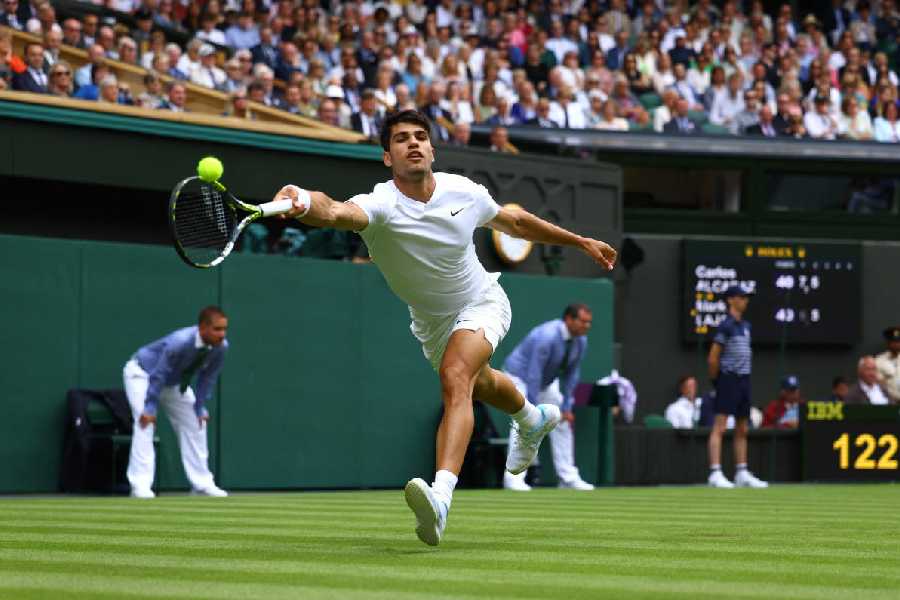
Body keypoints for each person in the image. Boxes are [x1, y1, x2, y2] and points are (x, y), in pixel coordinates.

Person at [271, 110, 617, 546]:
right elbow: (334, 211)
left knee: (456, 377)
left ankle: (441, 498)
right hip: (431, 324)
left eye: (420, 136)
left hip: (483, 302)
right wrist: (303, 197)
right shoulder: (380, 204)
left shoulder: (464, 192)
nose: (413, 143)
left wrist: (580, 240)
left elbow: (514, 221)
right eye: (401, 139)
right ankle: (532, 418)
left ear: (432, 149)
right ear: (387, 156)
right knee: (481, 382)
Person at [124, 306, 230, 499]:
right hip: (142, 374)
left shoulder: (221, 347)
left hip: (173, 383)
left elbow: (207, 378)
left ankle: (202, 483)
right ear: (202, 328)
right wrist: (150, 407)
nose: (222, 334)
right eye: (217, 329)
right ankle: (140, 485)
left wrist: (199, 407)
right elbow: (158, 374)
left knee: (196, 423)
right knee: (145, 424)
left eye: (224, 329)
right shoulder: (180, 342)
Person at [501, 305, 596, 492]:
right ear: (569, 319)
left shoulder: (580, 342)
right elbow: (533, 373)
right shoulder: (547, 336)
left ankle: (567, 478)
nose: (587, 326)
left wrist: (567, 406)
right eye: (583, 321)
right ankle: (513, 478)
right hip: (519, 377)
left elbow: (571, 375)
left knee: (563, 421)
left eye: (589, 322)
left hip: (545, 382)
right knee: (524, 422)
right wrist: (532, 408)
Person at [706, 286, 768, 488]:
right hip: (728, 379)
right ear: (730, 300)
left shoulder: (746, 326)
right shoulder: (726, 326)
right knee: (720, 426)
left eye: (746, 298)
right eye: (741, 297)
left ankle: (741, 472)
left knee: (742, 427)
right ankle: (715, 472)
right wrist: (717, 381)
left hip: (744, 380)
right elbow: (713, 358)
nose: (745, 301)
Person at [875, 326, 900, 403]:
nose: (896, 344)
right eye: (893, 342)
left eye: (898, 342)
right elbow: (878, 384)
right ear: (888, 343)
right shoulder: (878, 360)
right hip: (888, 402)